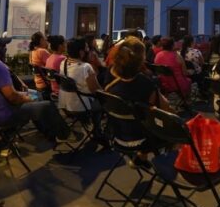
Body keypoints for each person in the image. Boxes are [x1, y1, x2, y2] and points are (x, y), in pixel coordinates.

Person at [0, 33, 72, 143]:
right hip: (1, 116)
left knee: (37, 100)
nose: (4, 48)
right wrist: (30, 98)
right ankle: (65, 135)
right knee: (47, 105)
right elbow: (13, 97)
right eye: (1, 46)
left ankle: (49, 134)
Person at [105, 37, 172, 166]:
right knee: (177, 132)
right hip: (142, 138)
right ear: (140, 60)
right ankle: (166, 166)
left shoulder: (110, 74)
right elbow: (165, 108)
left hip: (116, 134)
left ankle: (141, 158)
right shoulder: (145, 83)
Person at [58, 38, 104, 138]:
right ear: (81, 52)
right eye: (86, 47)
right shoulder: (85, 67)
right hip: (80, 106)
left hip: (65, 104)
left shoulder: (63, 63)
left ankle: (90, 126)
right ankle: (97, 131)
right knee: (103, 104)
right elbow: (95, 90)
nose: (88, 49)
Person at [29, 31, 51, 99]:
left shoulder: (32, 52)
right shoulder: (42, 51)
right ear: (41, 40)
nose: (46, 41)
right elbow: (51, 66)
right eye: (45, 39)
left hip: (38, 84)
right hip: (46, 85)